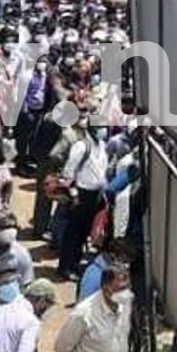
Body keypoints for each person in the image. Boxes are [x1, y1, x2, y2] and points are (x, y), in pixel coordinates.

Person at [55, 263, 134, 352]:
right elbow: (61, 348)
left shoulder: (127, 304)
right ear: (106, 288)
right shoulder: (84, 314)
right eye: (121, 289)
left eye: (128, 287)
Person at [58, 116, 110, 280]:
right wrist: (72, 193)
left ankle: (75, 263)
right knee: (73, 233)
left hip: (96, 195)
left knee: (84, 233)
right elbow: (68, 171)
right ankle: (65, 267)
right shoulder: (81, 146)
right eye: (101, 127)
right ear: (92, 129)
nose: (104, 131)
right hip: (81, 194)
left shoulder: (102, 146)